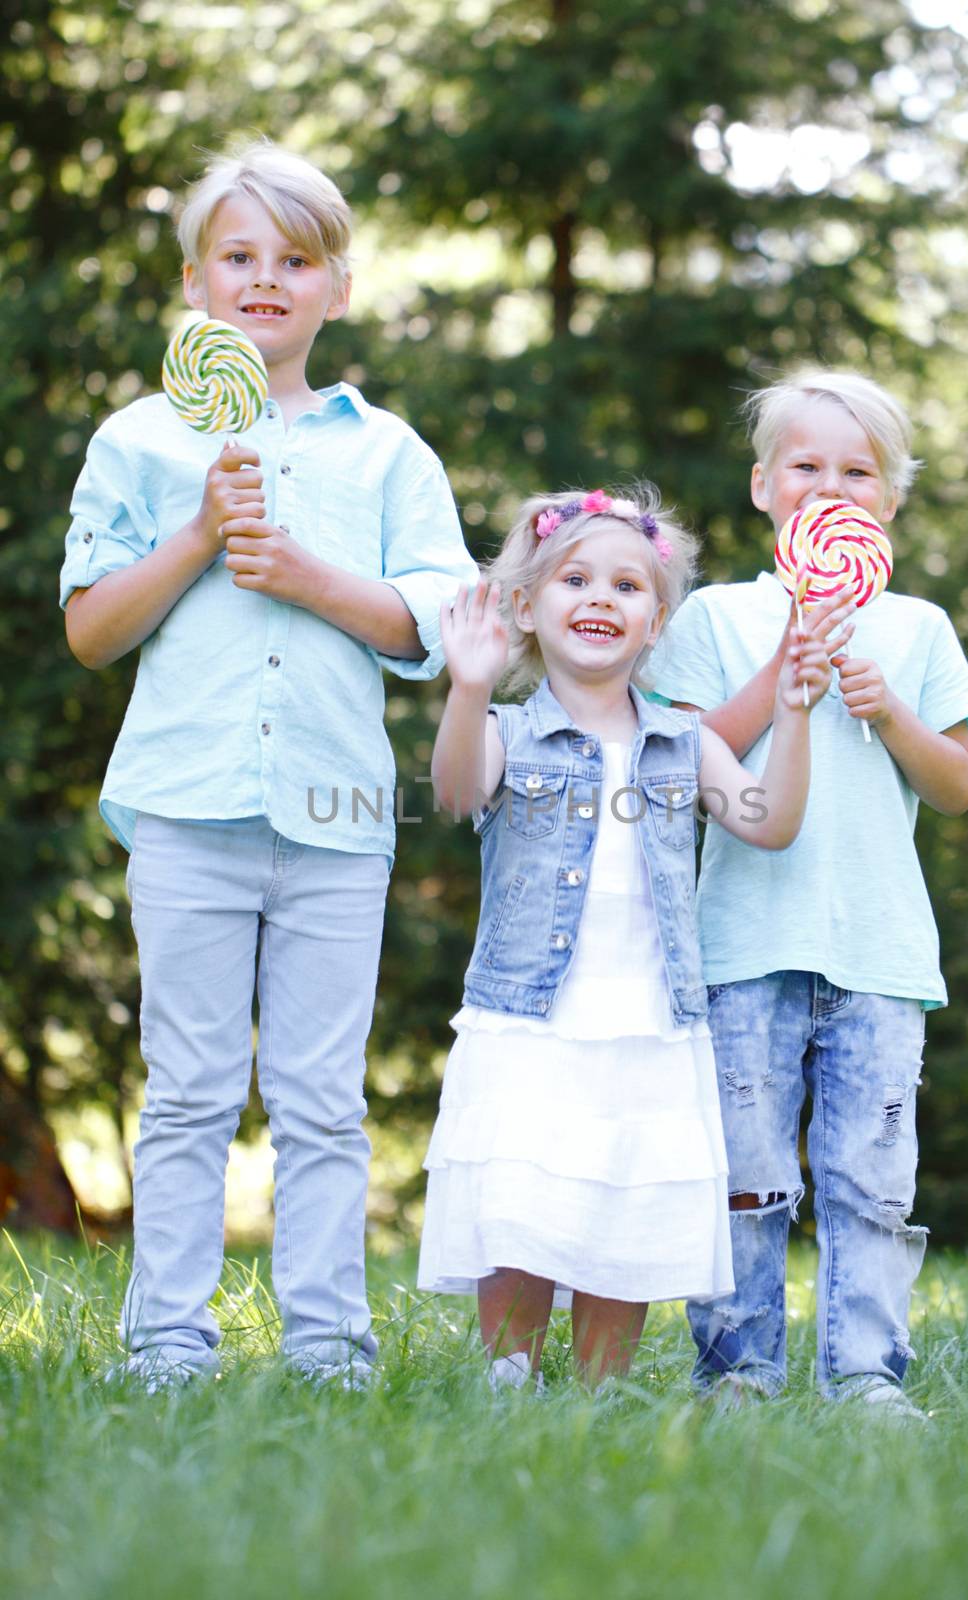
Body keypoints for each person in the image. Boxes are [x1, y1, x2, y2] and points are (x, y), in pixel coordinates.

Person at [60, 140, 477, 1391]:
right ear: (194, 284)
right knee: (186, 1086)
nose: (264, 279)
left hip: (338, 813)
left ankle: (329, 1344)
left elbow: (437, 623)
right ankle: (168, 1342)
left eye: (294, 261)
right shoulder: (139, 440)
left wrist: (308, 577)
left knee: (319, 1100)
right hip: (187, 806)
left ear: (335, 290)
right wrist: (199, 531)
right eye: (237, 257)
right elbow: (91, 630)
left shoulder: (386, 452)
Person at [417, 485, 835, 1391]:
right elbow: (454, 790)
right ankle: (510, 1374)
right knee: (521, 1194)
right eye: (575, 579)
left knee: (627, 1201)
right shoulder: (506, 732)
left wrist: (793, 711)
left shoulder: (684, 743)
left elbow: (769, 823)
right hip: (532, 1016)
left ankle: (600, 1389)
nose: (601, 598)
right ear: (525, 607)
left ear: (656, 624)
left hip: (647, 1017)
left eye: (627, 586)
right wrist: (469, 682)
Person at [651, 368, 968, 1418]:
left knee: (869, 1181)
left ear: (887, 503)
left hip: (879, 950)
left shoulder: (917, 628)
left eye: (859, 472)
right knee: (745, 1174)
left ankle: (863, 1373)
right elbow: (682, 755)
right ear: (762, 487)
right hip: (745, 942)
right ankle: (738, 1369)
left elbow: (956, 784)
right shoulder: (714, 615)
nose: (830, 488)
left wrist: (884, 707)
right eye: (807, 467)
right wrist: (784, 669)